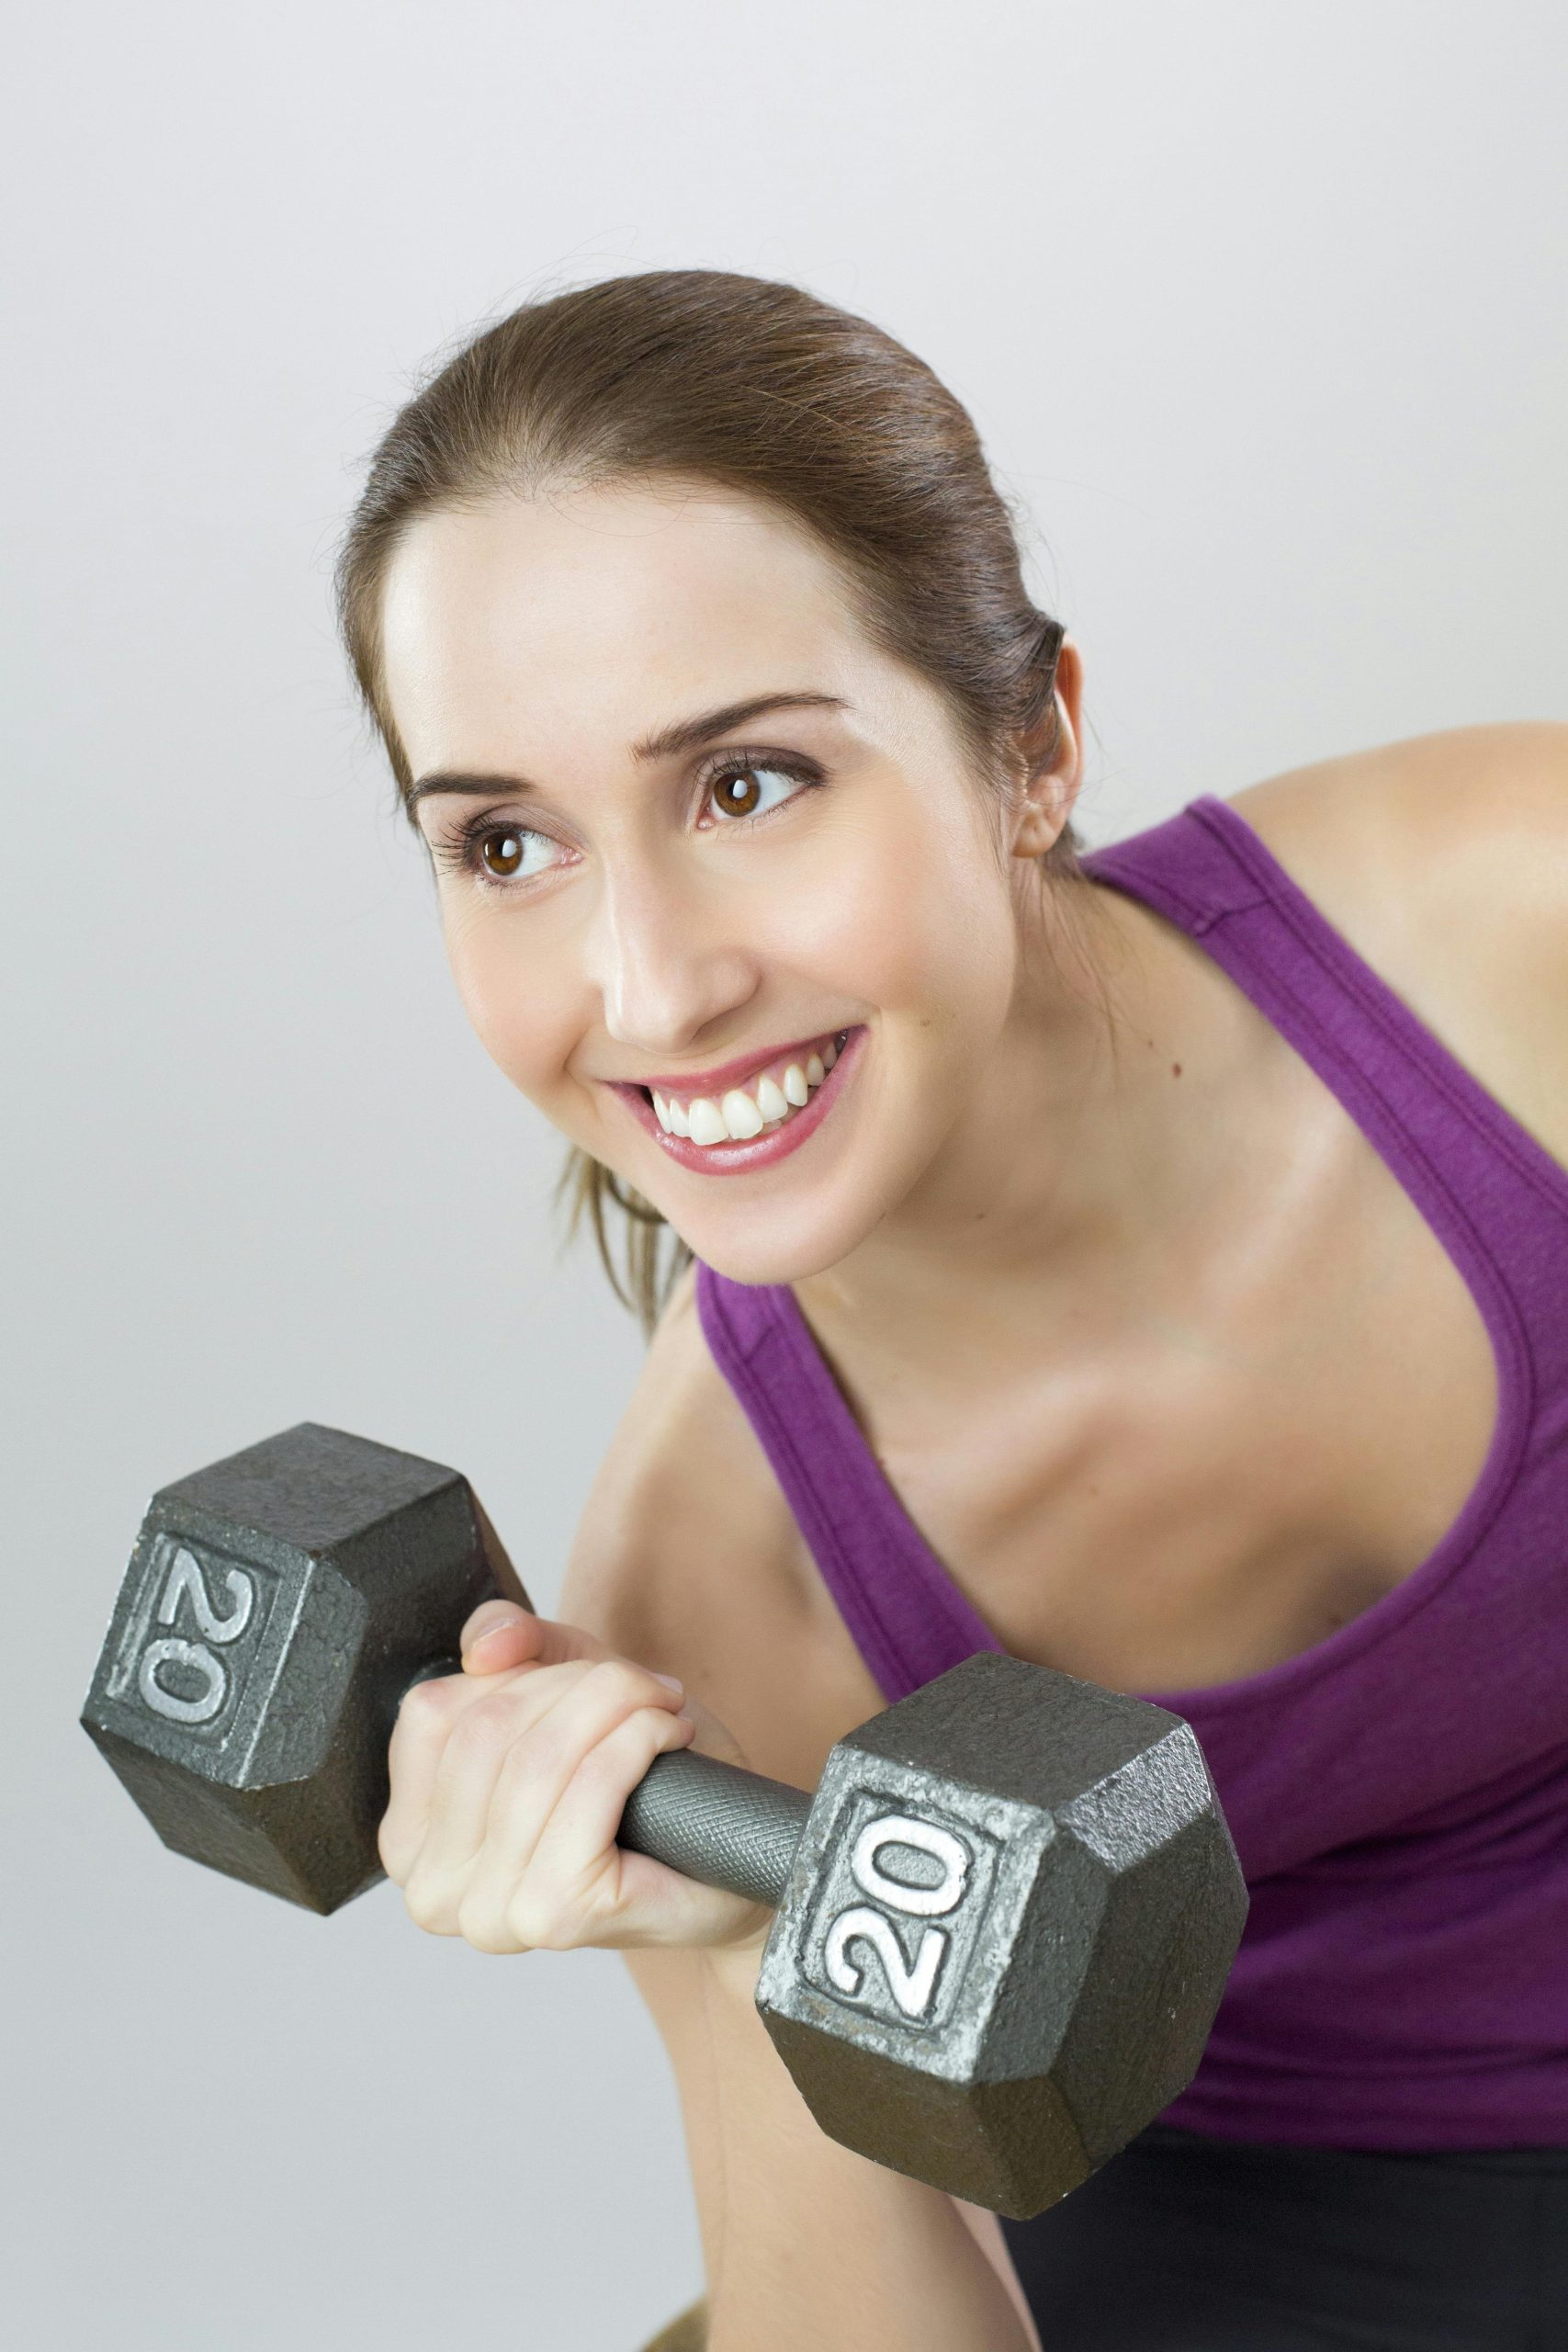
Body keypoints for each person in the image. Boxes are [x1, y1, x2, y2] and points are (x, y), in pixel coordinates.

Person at [341, 270, 1568, 2349]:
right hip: (1260, 2240)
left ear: (1031, 745)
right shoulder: (703, 1589)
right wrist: (738, 1944)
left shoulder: (1520, 928)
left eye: (744, 784)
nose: (646, 990)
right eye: (506, 840)